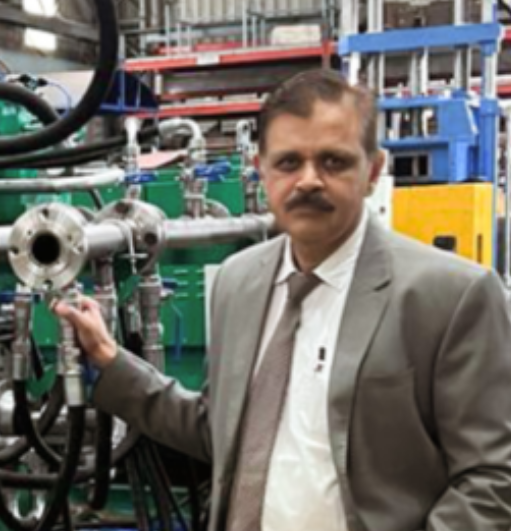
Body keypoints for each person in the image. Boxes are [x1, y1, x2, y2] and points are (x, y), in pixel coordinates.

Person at [52, 69, 511, 531]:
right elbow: (221, 431)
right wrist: (111, 362)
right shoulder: (238, 283)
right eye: (289, 163)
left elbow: (493, 477)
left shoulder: (451, 297)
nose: (308, 181)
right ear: (262, 169)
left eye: (333, 162)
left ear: (373, 171)